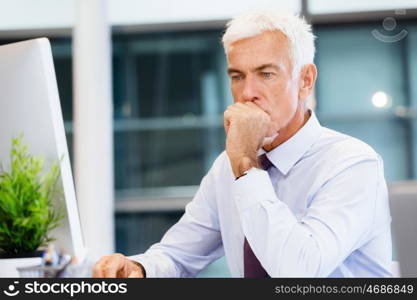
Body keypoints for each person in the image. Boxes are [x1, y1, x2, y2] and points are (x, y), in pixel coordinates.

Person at [93, 10, 392, 278]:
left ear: (305, 80)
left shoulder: (352, 163)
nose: (247, 93)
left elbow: (297, 273)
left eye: (266, 74)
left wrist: (246, 165)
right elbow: (178, 255)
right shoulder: (228, 165)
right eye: (237, 76)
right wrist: (140, 269)